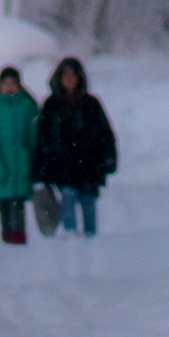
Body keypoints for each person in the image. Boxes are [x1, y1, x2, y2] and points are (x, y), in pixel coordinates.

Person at [31, 57, 117, 238]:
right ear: (58, 78)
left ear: (80, 78)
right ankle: (70, 251)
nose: (69, 79)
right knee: (67, 211)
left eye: (73, 75)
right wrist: (40, 168)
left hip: (89, 170)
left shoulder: (91, 104)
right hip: (63, 170)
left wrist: (107, 160)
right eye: (65, 75)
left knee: (89, 216)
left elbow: (105, 135)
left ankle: (90, 251)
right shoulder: (51, 106)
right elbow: (42, 139)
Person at [0, 66, 38, 245]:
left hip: (21, 167)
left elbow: (33, 137)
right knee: (5, 208)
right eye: (5, 83)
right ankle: (7, 243)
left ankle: (20, 242)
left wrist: (30, 162)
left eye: (13, 83)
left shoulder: (28, 106)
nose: (9, 87)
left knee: (19, 208)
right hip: (2, 169)